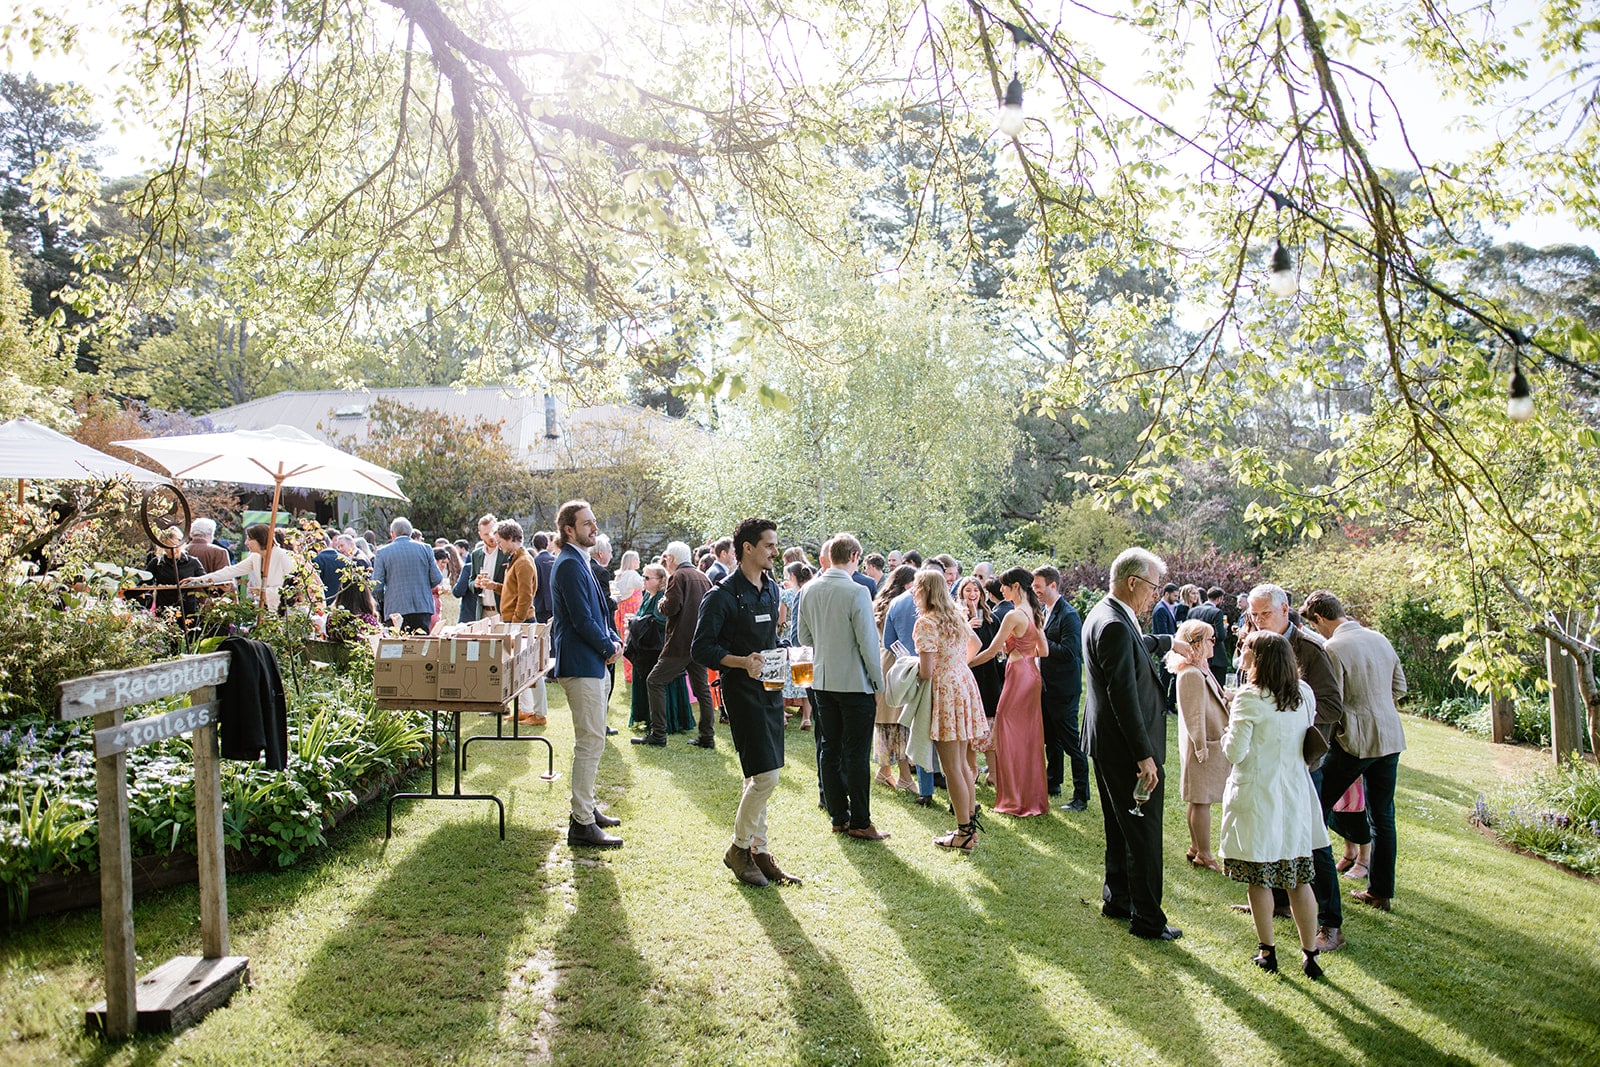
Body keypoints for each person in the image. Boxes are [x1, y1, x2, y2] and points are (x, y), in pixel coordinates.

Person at [692, 517, 802, 887]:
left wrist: (785, 653)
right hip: (740, 693)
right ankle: (738, 848)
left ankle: (760, 851)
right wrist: (742, 662)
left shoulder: (771, 589)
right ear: (748, 548)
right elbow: (701, 648)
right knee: (767, 777)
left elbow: (768, 640)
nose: (776, 552)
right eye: (769, 545)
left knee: (758, 774)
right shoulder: (721, 595)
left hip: (770, 689)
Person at [1084, 547, 1186, 941]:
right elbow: (1122, 694)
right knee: (1143, 833)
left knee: (1120, 825)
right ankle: (1147, 918)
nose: (1156, 595)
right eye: (1153, 587)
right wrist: (1144, 756)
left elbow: (1132, 645)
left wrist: (1166, 641)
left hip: (1108, 743)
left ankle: (1118, 898)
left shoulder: (1106, 613)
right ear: (1132, 582)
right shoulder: (1112, 623)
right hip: (1126, 748)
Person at [1219, 630, 1330, 979]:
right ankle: (1310, 954)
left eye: (1247, 650)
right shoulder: (1304, 693)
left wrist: (1226, 731)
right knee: (1298, 877)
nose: (1242, 654)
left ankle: (1267, 950)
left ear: (1259, 659)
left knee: (1260, 876)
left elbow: (1235, 752)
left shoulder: (1249, 697)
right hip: (1295, 793)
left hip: (1259, 794)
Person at [1246, 583, 1346, 952]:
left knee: (1312, 839)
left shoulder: (1310, 649)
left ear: (1285, 610)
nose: (1258, 621)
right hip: (1265, 761)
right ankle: (1277, 902)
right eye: (1254, 615)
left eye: (1265, 614)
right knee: (1270, 830)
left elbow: (1333, 705)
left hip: (1302, 760)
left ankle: (1331, 923)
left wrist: (1286, 718)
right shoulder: (1255, 641)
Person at [1300, 590, 1407, 914]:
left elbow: (1334, 701)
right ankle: (1380, 893)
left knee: (1315, 806)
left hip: (1355, 741)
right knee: (1383, 817)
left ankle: (1311, 888)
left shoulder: (1333, 647)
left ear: (1319, 618)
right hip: (1389, 737)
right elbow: (1399, 687)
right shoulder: (1380, 639)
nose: (1317, 631)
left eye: (1315, 625)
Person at [798, 533, 887, 840]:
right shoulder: (857, 591)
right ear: (853, 557)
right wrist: (878, 683)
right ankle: (860, 821)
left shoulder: (808, 589)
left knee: (829, 748)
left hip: (823, 681)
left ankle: (838, 816)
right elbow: (868, 643)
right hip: (854, 683)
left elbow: (804, 638)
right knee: (856, 753)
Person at [549, 500, 624, 848]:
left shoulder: (580, 560)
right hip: (581, 664)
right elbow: (581, 619)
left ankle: (587, 809)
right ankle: (581, 823)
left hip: (591, 662)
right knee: (590, 742)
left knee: (594, 740)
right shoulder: (568, 563)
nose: (594, 528)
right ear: (569, 529)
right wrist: (608, 648)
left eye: (594, 522)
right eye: (587, 524)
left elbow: (598, 613)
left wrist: (613, 639)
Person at [913, 569, 989, 849]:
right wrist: (957, 664)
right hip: (962, 683)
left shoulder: (927, 622)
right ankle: (969, 825)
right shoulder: (956, 615)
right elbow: (976, 643)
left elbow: (925, 671)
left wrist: (908, 668)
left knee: (952, 767)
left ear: (924, 591)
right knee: (962, 764)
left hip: (946, 691)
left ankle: (963, 832)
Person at [969, 567, 1048, 818]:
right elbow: (1044, 651)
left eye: (1004, 585)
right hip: (1031, 674)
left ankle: (1014, 798)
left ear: (1015, 586)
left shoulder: (1014, 615)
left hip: (1018, 676)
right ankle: (1029, 795)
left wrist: (966, 664)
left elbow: (991, 652)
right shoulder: (1034, 611)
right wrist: (1021, 649)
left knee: (1006, 730)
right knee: (1028, 735)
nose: (1000, 589)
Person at [637, 541, 717, 748]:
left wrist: (661, 602)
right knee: (702, 690)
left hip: (680, 643)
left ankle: (658, 734)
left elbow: (671, 607)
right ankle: (707, 736)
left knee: (654, 681)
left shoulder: (678, 576)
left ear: (671, 558)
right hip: (699, 642)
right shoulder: (703, 576)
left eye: (666, 558)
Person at [1166, 618, 1230, 871]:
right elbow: (1194, 716)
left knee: (1199, 800)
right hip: (1202, 746)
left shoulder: (1200, 668)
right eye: (1210, 639)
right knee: (1201, 800)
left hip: (1208, 742)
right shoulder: (1191, 673)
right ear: (1196, 643)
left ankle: (1196, 848)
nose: (1215, 643)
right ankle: (1204, 853)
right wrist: (1202, 747)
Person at [1034, 566, 1087, 811]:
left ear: (1053, 585)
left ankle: (1081, 796)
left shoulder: (1069, 615)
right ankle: (1053, 781)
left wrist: (1041, 642)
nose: (1035, 591)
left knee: (1071, 743)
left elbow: (1070, 651)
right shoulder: (1045, 611)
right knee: (1050, 739)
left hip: (1064, 689)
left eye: (1038, 587)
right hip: (1046, 687)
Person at [184, 522, 302, 612]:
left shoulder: (284, 556)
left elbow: (295, 588)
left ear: (260, 539)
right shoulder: (255, 557)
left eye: (249, 539)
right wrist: (198, 580)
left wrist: (265, 592)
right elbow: (230, 571)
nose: (246, 543)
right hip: (269, 610)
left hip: (289, 613)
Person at [872, 564, 919, 792]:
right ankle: (905, 776)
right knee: (899, 719)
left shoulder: (881, 602)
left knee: (886, 719)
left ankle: (884, 770)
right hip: (897, 660)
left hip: (883, 659)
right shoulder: (903, 605)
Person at [371, 517, 444, 633]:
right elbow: (437, 578)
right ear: (410, 532)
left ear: (392, 534)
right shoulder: (426, 548)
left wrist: (386, 597)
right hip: (422, 607)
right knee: (421, 643)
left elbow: (376, 586)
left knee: (398, 643)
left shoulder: (383, 552)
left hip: (395, 607)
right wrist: (423, 587)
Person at [623, 563, 671, 729]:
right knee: (641, 681)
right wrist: (634, 620)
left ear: (660, 580)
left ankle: (655, 720)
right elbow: (642, 616)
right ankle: (643, 717)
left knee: (652, 683)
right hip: (643, 647)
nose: (643, 580)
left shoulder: (662, 596)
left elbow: (661, 621)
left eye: (647, 577)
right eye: (643, 576)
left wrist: (636, 621)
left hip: (654, 647)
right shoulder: (647, 595)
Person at [956, 576, 1002, 724]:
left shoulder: (992, 619)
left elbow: (998, 649)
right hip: (968, 674)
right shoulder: (957, 619)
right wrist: (967, 627)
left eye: (976, 590)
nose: (972, 594)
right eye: (968, 590)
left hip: (989, 673)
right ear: (961, 593)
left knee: (990, 718)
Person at [779, 560, 815, 730]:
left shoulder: (787, 595)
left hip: (789, 637)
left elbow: (781, 619)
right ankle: (806, 718)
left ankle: (782, 716)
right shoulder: (810, 592)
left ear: (792, 576)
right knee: (804, 677)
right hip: (806, 637)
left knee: (785, 678)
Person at [453, 514, 502, 624]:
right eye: (486, 534)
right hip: (482, 612)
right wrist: (475, 584)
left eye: (492, 532)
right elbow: (471, 580)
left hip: (502, 611)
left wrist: (494, 585)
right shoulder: (476, 554)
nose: (491, 536)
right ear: (480, 535)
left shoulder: (505, 552)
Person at [1188, 587, 1233, 687]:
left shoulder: (1192, 611)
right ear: (1219, 599)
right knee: (1217, 687)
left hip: (1196, 654)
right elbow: (1220, 636)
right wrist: (1224, 628)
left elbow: (1187, 632)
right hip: (1215, 656)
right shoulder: (1217, 612)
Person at [532, 531, 556, 623]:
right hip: (554, 602)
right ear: (547, 544)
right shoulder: (554, 559)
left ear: (534, 546)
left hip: (541, 604)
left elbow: (535, 583)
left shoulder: (536, 561)